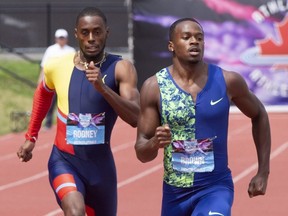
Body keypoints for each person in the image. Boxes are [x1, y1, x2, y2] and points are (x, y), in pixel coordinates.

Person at [134, 18, 271, 216]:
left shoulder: (227, 80)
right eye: (187, 37)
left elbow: (259, 114)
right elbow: (141, 152)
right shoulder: (154, 87)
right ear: (171, 45)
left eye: (199, 37)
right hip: (175, 195)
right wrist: (155, 142)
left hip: (215, 188)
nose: (194, 42)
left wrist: (263, 171)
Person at [17, 7, 139, 216]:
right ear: (76, 34)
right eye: (85, 32)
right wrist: (31, 136)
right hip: (65, 161)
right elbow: (43, 95)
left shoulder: (121, 68)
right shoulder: (57, 65)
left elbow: (135, 117)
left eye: (97, 32)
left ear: (106, 33)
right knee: (75, 211)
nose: (91, 38)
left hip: (101, 169)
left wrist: (103, 88)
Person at [39, 28, 76, 129]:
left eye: (63, 38)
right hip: (52, 81)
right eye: (59, 38)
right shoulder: (51, 50)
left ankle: (69, 123)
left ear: (66, 39)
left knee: (67, 103)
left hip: (65, 82)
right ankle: (48, 123)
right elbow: (44, 66)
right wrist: (40, 80)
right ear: (56, 39)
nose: (61, 40)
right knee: (50, 103)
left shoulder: (71, 51)